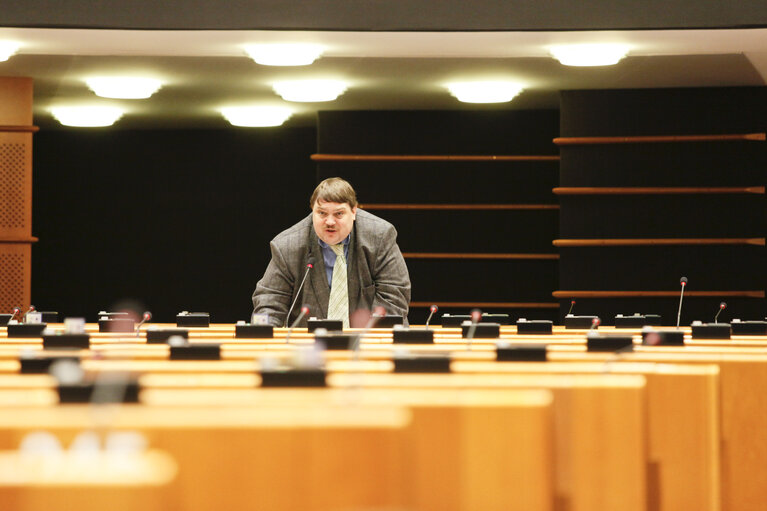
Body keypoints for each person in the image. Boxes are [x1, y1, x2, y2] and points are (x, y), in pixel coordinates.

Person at [252, 177, 411, 327]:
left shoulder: (379, 237)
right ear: (312, 210)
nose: (329, 222)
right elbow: (270, 302)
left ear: (354, 211)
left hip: (370, 341)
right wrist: (263, 332)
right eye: (322, 213)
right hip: (309, 347)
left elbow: (394, 296)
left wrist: (366, 341)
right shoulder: (288, 245)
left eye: (339, 214)